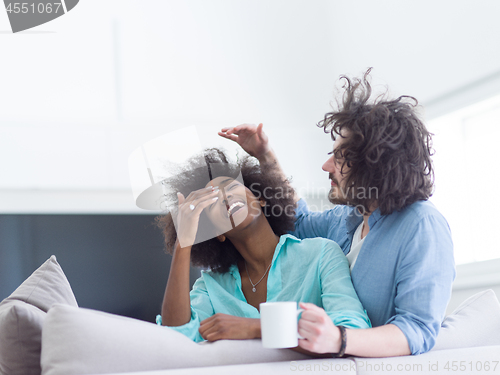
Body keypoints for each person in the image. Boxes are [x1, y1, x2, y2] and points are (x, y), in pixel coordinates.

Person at [218, 69, 455, 357]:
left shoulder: (422, 225)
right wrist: (265, 156)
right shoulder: (349, 219)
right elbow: (297, 221)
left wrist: (339, 339)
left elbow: (417, 329)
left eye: (340, 156)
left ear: (376, 164)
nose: (326, 166)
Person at [155, 148, 371, 347]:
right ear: (217, 233)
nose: (225, 197)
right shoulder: (212, 287)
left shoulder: (321, 254)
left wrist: (258, 328)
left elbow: (352, 330)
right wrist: (184, 242)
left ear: (260, 199)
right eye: (212, 202)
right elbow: (175, 340)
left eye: (231, 187)